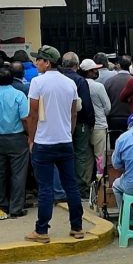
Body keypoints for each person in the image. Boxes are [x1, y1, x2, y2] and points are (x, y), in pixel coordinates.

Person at [25, 45, 84, 244]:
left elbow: (33, 113)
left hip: (44, 142)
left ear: (47, 62)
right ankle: (77, 227)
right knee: (71, 186)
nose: (36, 63)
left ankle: (42, 230)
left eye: (39, 60)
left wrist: (31, 138)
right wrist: (69, 132)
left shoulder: (37, 82)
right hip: (65, 141)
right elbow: (74, 112)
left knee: (45, 188)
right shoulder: (70, 83)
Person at [0, 67, 29, 217]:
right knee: (18, 173)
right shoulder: (19, 95)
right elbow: (25, 117)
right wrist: (30, 135)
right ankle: (16, 208)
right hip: (17, 138)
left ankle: (2, 204)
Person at [58, 52, 95, 199]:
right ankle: (80, 187)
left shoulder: (59, 79)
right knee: (81, 154)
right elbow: (86, 104)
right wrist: (91, 122)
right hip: (80, 123)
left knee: (64, 154)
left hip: (61, 122)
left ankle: (64, 185)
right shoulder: (80, 80)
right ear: (77, 65)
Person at [78, 59, 111, 177]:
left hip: (84, 126)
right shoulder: (98, 86)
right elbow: (108, 107)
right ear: (89, 72)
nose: (97, 72)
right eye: (95, 70)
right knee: (100, 157)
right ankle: (100, 184)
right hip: (99, 126)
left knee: (86, 158)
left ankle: (86, 184)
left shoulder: (78, 84)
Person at [104, 55, 133, 135]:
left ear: (119, 65)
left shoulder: (109, 81)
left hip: (114, 118)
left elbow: (106, 101)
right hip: (131, 117)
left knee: (115, 145)